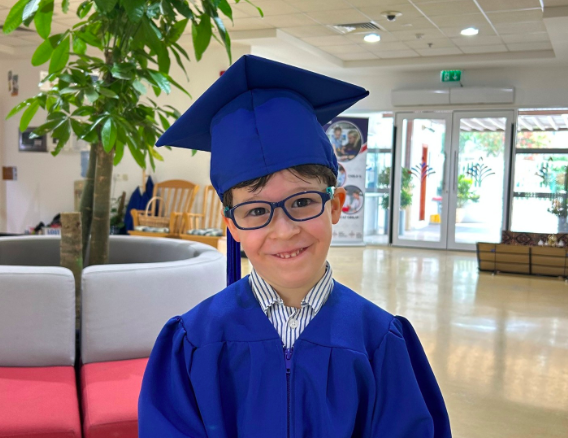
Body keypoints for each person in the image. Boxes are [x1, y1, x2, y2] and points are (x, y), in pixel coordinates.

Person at [138, 55, 451, 438]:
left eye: (302, 201)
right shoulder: (194, 339)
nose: (284, 230)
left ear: (335, 206)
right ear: (232, 225)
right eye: (256, 210)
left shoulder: (378, 340)